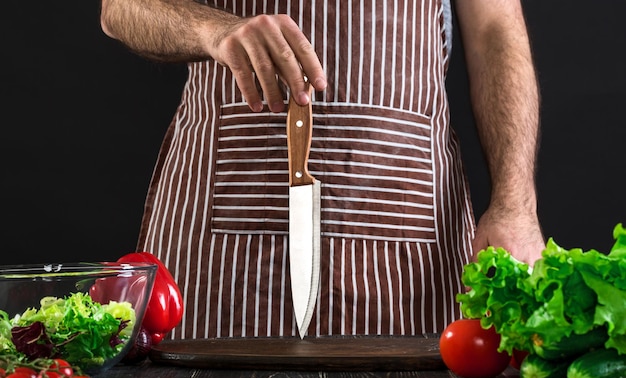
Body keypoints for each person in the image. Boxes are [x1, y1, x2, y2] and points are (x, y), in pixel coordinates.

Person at [99, 0, 545, 339]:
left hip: (410, 225)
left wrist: (515, 204)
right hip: (225, 225)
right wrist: (214, 29)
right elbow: (120, 8)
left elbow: (495, 31)